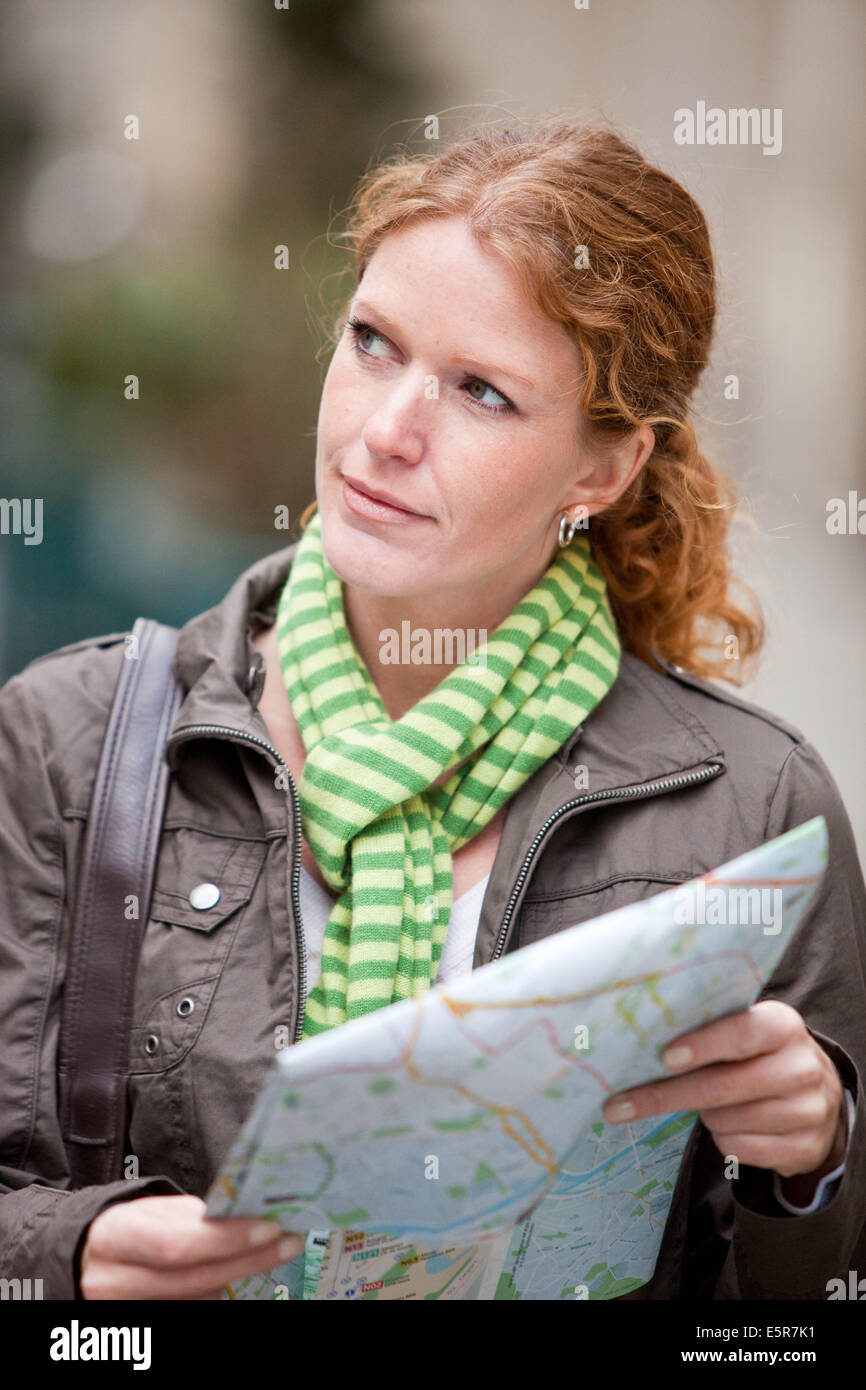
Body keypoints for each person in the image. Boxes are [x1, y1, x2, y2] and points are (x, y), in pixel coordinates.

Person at [1, 117, 864, 1301]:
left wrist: (810, 1161)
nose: (384, 431)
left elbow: (795, 1315)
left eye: (482, 393)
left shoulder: (751, 805)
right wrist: (67, 1267)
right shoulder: (67, 737)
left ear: (600, 471)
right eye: (371, 343)